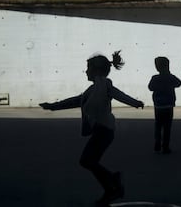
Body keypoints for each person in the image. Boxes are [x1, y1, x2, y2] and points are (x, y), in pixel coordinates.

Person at [39, 50, 144, 206]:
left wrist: (135, 103)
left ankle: (112, 185)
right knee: (88, 161)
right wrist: (53, 106)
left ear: (97, 70)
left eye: (88, 68)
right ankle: (111, 186)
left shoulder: (104, 85)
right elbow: (76, 101)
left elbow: (118, 94)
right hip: (102, 131)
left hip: (104, 131)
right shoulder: (93, 89)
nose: (86, 71)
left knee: (87, 161)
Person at [148, 56, 181, 154]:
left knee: (158, 125)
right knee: (167, 127)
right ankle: (165, 146)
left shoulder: (155, 78)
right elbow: (179, 83)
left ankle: (157, 142)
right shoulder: (170, 77)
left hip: (158, 105)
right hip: (169, 104)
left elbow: (150, 87)